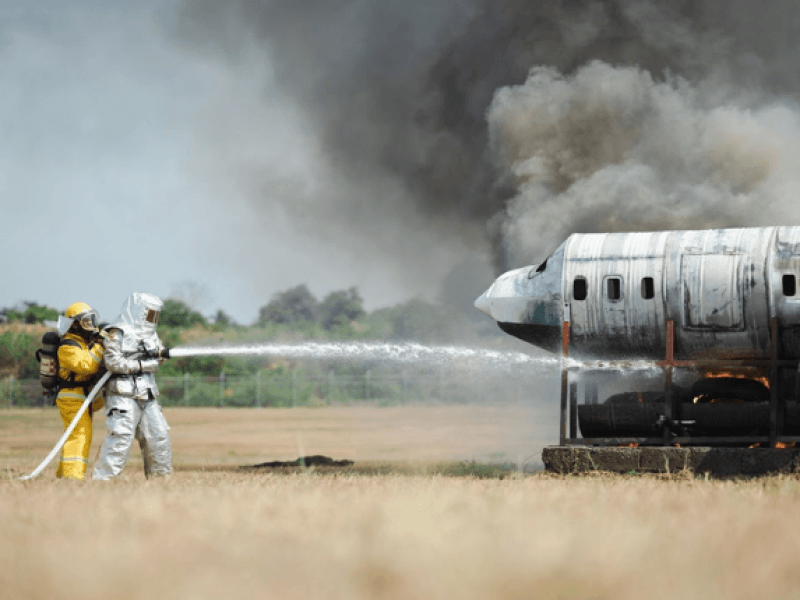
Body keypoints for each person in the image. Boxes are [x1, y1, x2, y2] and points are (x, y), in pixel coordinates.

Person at [92, 292, 172, 480]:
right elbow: (113, 363)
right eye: (149, 313)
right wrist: (145, 364)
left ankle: (160, 481)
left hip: (148, 394)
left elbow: (157, 357)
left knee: (158, 436)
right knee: (121, 437)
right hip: (122, 394)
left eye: (154, 314)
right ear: (138, 311)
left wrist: (160, 358)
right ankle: (103, 480)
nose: (152, 319)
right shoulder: (116, 333)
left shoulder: (152, 335)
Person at [55, 302, 106, 480]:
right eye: (86, 322)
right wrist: (100, 345)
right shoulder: (68, 346)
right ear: (74, 324)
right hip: (72, 397)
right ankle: (72, 477)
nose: (91, 326)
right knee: (79, 436)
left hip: (81, 396)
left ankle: (64, 474)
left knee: (77, 435)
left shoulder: (83, 343)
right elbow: (87, 365)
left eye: (92, 321)